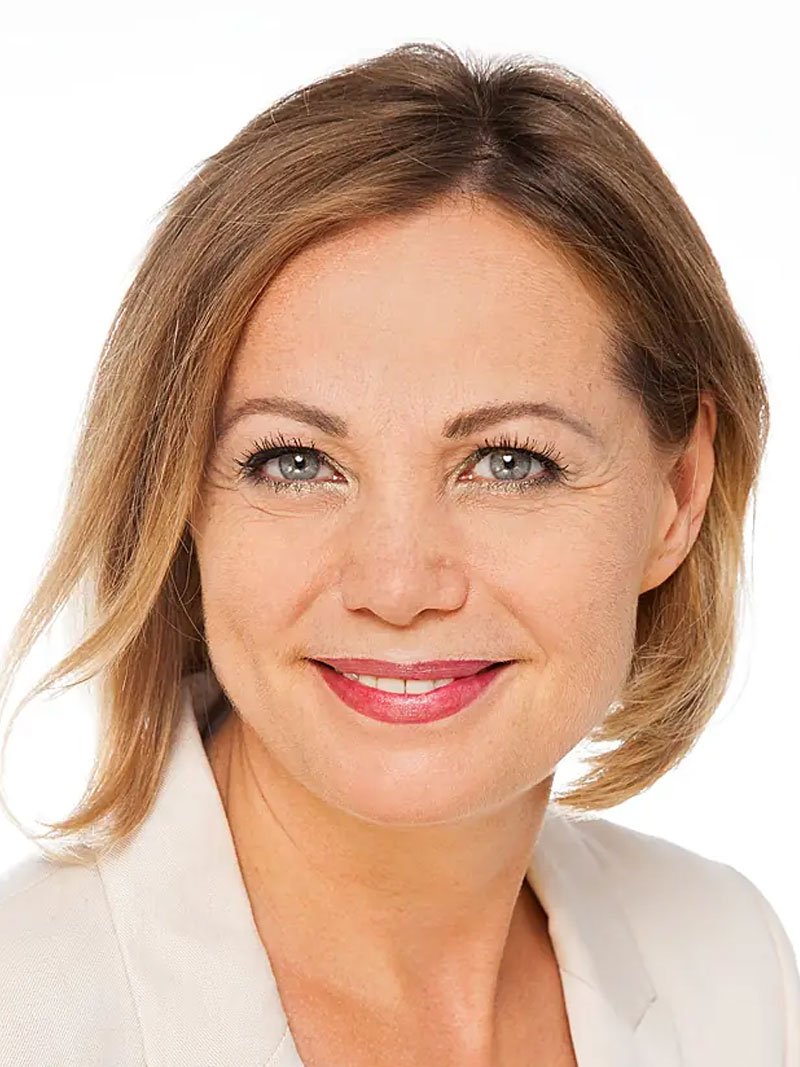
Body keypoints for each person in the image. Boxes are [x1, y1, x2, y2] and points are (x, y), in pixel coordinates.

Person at [0, 40, 797, 1067]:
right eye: (295, 461)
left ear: (677, 494)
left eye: (509, 462)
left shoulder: (732, 966)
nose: (396, 583)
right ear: (178, 496)